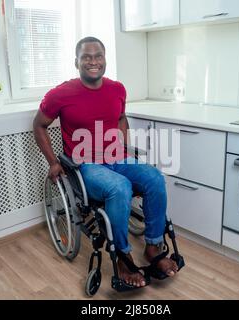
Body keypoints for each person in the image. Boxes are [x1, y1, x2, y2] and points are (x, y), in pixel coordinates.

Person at [33, 36, 178, 288]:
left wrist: (122, 144)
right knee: (119, 187)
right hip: (86, 165)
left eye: (98, 56)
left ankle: (153, 247)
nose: (93, 61)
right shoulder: (60, 94)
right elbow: (39, 125)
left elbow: (121, 118)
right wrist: (54, 162)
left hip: (118, 157)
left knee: (154, 178)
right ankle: (122, 257)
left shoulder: (117, 89)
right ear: (76, 62)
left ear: (105, 59)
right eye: (86, 57)